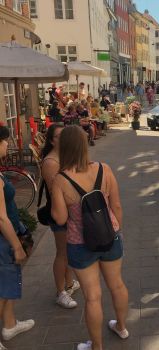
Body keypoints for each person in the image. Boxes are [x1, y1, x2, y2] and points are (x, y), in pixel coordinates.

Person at [51, 126, 129, 350]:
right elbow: (116, 205)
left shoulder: (61, 180)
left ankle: (97, 346)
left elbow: (60, 218)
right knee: (117, 285)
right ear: (85, 145)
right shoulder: (104, 169)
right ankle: (121, 327)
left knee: (93, 297)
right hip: (110, 236)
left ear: (63, 148)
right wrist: (116, 231)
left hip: (80, 243)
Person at [0, 124, 35, 349]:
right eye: (4, 141)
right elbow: (1, 218)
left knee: (9, 281)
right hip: (3, 239)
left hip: (7, 235)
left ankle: (10, 324)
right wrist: (17, 246)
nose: (6, 145)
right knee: (2, 288)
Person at [41, 125, 80, 309]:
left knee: (69, 250)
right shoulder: (50, 162)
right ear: (51, 140)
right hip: (59, 213)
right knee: (62, 252)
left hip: (70, 211)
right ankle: (60, 292)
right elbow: (55, 192)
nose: (63, 138)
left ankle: (70, 283)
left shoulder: (64, 157)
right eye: (59, 136)